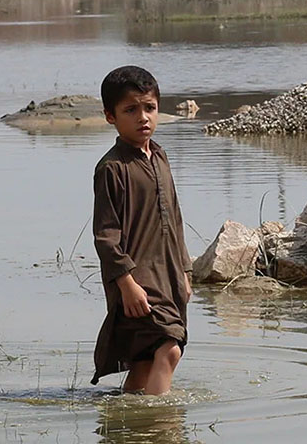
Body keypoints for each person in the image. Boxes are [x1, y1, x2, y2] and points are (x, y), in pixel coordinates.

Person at [90, 66, 192, 394]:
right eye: (130, 110)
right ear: (110, 116)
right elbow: (106, 235)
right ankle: (159, 425)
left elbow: (174, 219)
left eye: (149, 108)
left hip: (169, 274)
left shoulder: (160, 156)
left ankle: (126, 423)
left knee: (145, 360)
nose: (143, 118)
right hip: (138, 281)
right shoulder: (112, 168)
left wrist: (185, 272)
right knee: (170, 347)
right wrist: (126, 284)